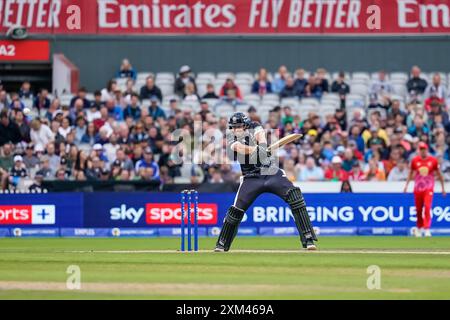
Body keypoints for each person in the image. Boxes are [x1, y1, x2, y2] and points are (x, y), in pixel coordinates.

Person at [215, 112, 318, 252]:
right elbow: (240, 148)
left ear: (245, 125)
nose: (234, 130)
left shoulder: (255, 126)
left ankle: (308, 239)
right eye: (232, 127)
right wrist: (257, 150)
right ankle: (222, 243)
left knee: (295, 196)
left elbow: (261, 137)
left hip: (270, 172)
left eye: (237, 127)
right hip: (250, 177)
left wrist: (262, 147)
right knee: (235, 210)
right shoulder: (231, 137)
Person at [403, 142, 446, 237]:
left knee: (427, 207)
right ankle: (419, 228)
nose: (422, 151)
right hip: (418, 188)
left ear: (427, 150)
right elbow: (411, 173)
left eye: (424, 149)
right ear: (419, 150)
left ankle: (427, 229)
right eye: (421, 149)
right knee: (418, 209)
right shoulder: (415, 160)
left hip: (428, 188)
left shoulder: (433, 160)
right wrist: (406, 186)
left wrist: (443, 188)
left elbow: (439, 174)